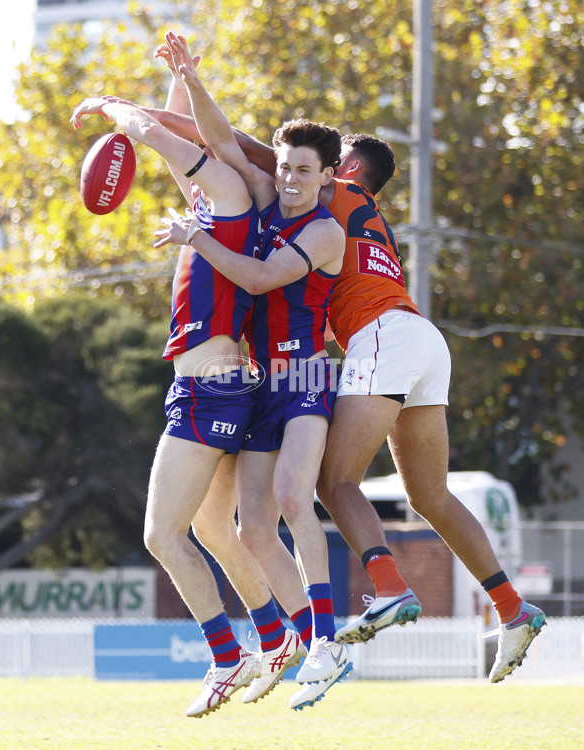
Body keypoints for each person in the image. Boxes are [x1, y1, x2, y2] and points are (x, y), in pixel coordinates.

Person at [149, 105, 546, 690]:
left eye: (316, 167)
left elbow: (235, 146)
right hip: (422, 340)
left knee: (332, 485)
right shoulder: (371, 220)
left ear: (345, 167)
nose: (295, 176)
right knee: (428, 494)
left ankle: (387, 591)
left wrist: (154, 118)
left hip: (382, 338)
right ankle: (514, 608)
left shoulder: (334, 194)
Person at [70, 61, 305, 717]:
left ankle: (227, 658)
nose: (194, 145)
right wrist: (182, 74)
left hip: (211, 390)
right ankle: (274, 638)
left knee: (160, 535)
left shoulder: (229, 192)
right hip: (219, 386)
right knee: (214, 528)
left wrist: (105, 105)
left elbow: (155, 131)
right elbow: (176, 128)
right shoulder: (221, 198)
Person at [153, 32, 352, 712]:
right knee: (247, 531)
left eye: (304, 170)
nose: (291, 178)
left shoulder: (324, 231)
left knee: (297, 498)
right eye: (287, 167)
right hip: (262, 387)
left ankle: (326, 639)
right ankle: (293, 638)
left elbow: (264, 278)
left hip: (305, 381)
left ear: (327, 176)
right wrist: (189, 78)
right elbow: (222, 143)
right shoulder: (267, 199)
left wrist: (195, 237)